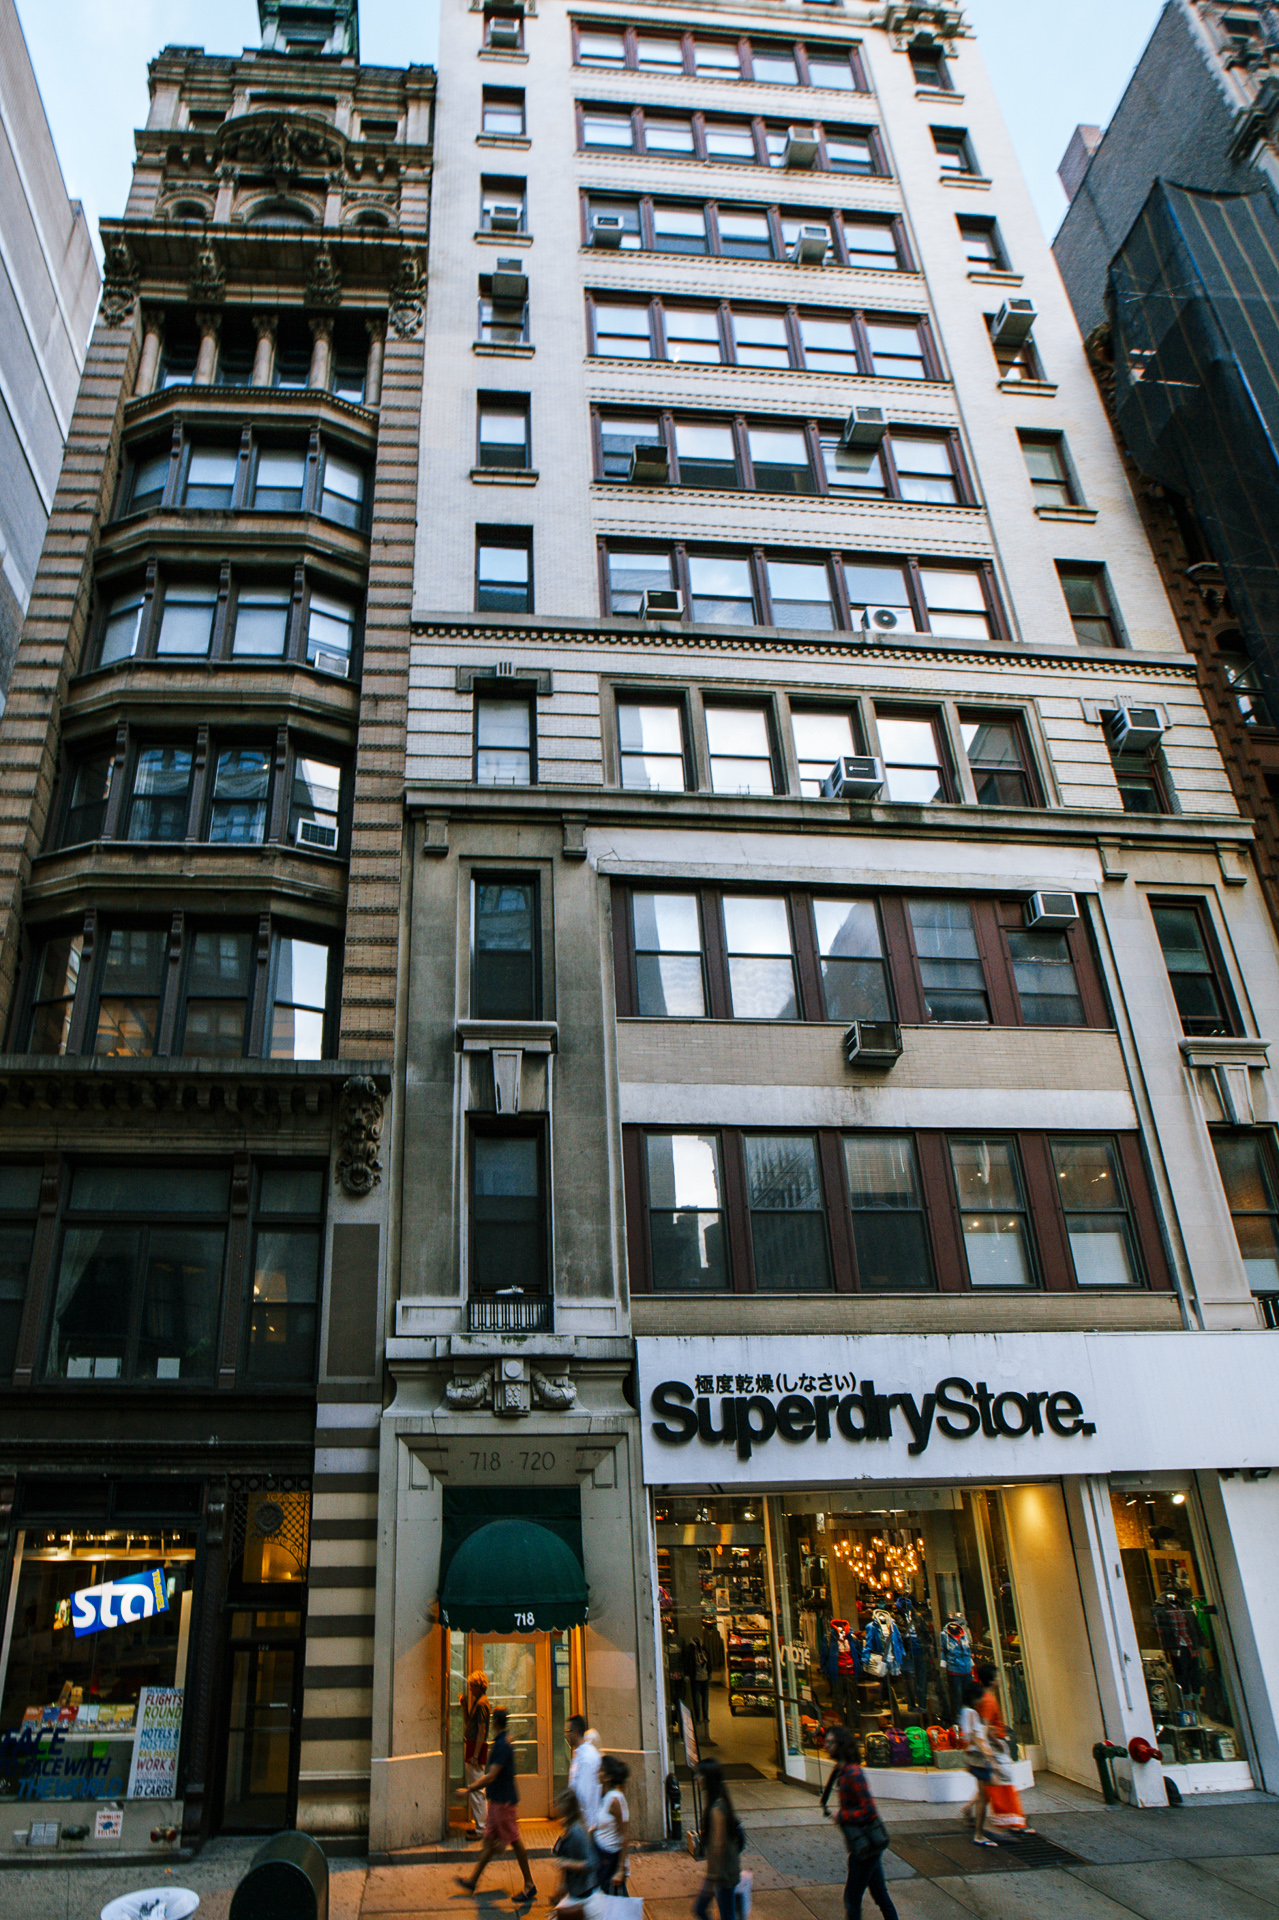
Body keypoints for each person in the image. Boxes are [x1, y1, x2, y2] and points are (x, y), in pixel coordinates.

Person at [456, 1707, 538, 1903]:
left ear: (495, 1722)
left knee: (515, 1841)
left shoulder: (502, 1745)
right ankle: (473, 1880)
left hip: (503, 1803)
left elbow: (492, 1775)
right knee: (491, 1843)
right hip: (497, 1802)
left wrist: (469, 1789)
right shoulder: (503, 1741)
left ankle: (529, 1884)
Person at [824, 1726, 898, 1920]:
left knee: (852, 1898)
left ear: (841, 1745)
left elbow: (869, 1810)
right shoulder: (843, 1771)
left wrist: (842, 1816)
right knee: (880, 1894)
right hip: (867, 1845)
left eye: (830, 1742)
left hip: (865, 1847)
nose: (826, 1746)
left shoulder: (853, 1773)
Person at [972, 1664, 1032, 1837]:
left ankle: (974, 1814)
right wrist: (995, 1745)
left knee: (989, 1787)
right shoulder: (988, 1700)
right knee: (1005, 1781)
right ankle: (1011, 1822)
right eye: (997, 1676)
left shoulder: (984, 1698)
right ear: (992, 1680)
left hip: (990, 1746)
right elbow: (984, 1727)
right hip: (994, 1746)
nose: (999, 1679)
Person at [693, 1760, 742, 1920]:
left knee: (720, 1914)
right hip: (724, 1872)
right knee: (705, 1910)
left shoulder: (717, 1808)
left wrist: (712, 1878)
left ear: (708, 1778)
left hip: (722, 1874)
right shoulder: (720, 1799)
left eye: (699, 1775)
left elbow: (718, 1845)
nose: (697, 1778)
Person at [551, 1788, 605, 1920]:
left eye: (557, 1804)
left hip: (586, 1898)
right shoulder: (571, 1828)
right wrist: (562, 1888)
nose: (554, 1807)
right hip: (579, 1895)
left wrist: (567, 1864)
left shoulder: (577, 1831)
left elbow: (592, 1863)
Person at [959, 1679, 997, 1847]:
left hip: (974, 1757)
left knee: (985, 1794)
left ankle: (972, 1816)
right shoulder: (972, 1713)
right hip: (979, 1758)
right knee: (984, 1798)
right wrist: (987, 1753)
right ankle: (979, 1834)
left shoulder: (964, 1711)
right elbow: (974, 1736)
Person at [594, 1754, 630, 1891]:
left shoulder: (616, 1799)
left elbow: (625, 1835)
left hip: (610, 1860)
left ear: (607, 1777)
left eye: (600, 1770)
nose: (597, 1773)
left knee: (612, 1898)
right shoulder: (604, 1796)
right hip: (601, 1857)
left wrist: (621, 1869)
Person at [461, 1671, 490, 1836]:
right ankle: (481, 1825)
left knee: (477, 1789)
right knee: (476, 1787)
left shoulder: (481, 1704)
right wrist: (464, 1706)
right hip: (473, 1747)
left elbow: (481, 1731)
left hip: (475, 1748)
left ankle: (481, 1828)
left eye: (472, 1686)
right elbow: (469, 1723)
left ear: (479, 1686)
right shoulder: (478, 1702)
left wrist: (476, 1755)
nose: (470, 1688)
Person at [567, 1714, 603, 1833]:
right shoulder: (580, 1753)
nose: (567, 1735)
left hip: (586, 1824)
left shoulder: (586, 1757)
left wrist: (583, 1826)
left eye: (568, 1731)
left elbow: (584, 1796)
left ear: (576, 1731)